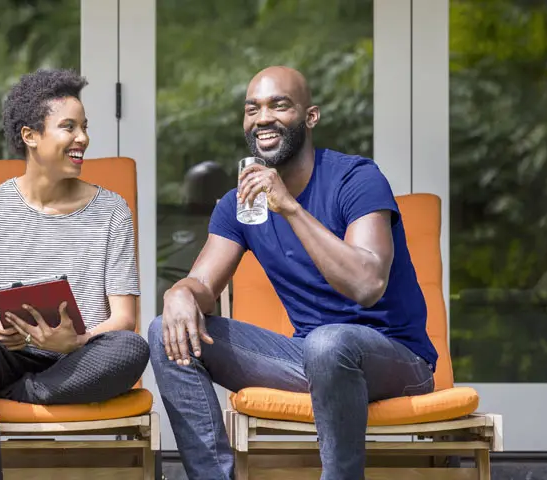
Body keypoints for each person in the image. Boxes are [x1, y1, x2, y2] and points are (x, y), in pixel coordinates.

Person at [149, 65, 439, 480]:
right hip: (308, 358)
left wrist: (289, 207)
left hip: (397, 360)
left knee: (328, 343)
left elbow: (367, 284)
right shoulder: (240, 203)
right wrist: (179, 293)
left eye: (278, 105)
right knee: (166, 331)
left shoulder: (356, 179)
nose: (263, 117)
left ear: (310, 116)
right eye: (252, 109)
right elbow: (203, 285)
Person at [0, 68, 149, 480]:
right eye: (68, 127)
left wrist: (75, 342)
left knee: (132, 349)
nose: (83, 139)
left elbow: (124, 319)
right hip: (12, 356)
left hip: (80, 360)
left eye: (85, 128)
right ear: (30, 135)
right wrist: (0, 329)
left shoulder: (112, 210)